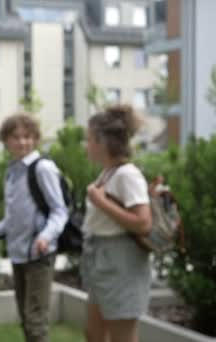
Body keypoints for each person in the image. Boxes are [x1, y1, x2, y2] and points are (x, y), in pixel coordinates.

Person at [0, 113, 68, 342]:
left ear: (36, 139)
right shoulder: (13, 171)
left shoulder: (42, 168)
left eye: (27, 136)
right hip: (18, 253)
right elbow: (13, 219)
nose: (22, 142)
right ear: (6, 141)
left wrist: (45, 237)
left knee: (36, 320)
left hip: (39, 253)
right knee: (26, 319)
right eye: (15, 137)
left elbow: (59, 210)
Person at [81, 105, 152, 342]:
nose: (86, 145)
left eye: (89, 139)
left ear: (103, 142)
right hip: (102, 261)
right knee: (93, 334)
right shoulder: (109, 173)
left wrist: (101, 202)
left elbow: (143, 223)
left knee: (122, 336)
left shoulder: (126, 175)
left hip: (121, 262)